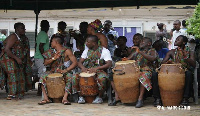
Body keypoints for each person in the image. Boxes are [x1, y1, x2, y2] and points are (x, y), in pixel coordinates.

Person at [38, 35, 78, 105]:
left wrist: (66, 70)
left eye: (52, 41)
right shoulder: (50, 51)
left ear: (56, 42)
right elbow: (45, 63)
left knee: (70, 77)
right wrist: (54, 58)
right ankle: (46, 98)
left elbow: (75, 62)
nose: (51, 43)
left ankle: (65, 98)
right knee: (42, 77)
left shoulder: (67, 51)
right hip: (52, 71)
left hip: (63, 70)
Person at [123, 37, 159, 108]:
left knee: (143, 76)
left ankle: (140, 98)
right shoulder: (137, 51)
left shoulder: (152, 50)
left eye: (142, 42)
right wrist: (125, 58)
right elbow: (128, 59)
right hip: (137, 70)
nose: (140, 43)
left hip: (148, 70)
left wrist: (140, 52)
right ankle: (127, 97)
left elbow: (153, 58)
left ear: (149, 43)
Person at [161, 35, 195, 106]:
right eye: (176, 39)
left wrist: (185, 56)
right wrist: (168, 62)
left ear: (184, 42)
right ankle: (161, 98)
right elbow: (162, 63)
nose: (176, 40)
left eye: (178, 39)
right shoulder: (172, 52)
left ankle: (185, 98)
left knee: (188, 74)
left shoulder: (190, 52)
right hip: (173, 71)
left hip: (185, 70)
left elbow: (193, 64)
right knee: (159, 74)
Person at [77, 35, 112, 104]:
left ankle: (99, 97)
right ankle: (81, 96)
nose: (86, 43)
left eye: (88, 42)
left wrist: (97, 68)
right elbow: (79, 62)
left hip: (99, 70)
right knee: (75, 77)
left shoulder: (104, 51)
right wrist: (83, 68)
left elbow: (109, 64)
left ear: (94, 43)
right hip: (87, 70)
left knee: (102, 78)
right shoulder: (86, 51)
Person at [0, 22, 27, 99]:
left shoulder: (18, 37)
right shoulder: (13, 37)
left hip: (10, 59)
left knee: (15, 74)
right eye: (22, 28)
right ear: (17, 29)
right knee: (12, 75)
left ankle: (15, 93)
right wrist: (16, 58)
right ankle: (11, 94)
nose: (24, 30)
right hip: (7, 59)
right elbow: (7, 49)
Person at [34, 20, 50, 88]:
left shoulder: (40, 33)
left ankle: (40, 89)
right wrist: (45, 56)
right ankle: (40, 90)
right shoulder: (43, 34)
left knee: (41, 73)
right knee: (42, 74)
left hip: (38, 56)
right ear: (47, 26)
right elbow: (41, 46)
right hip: (41, 57)